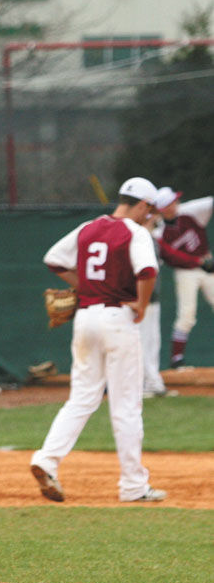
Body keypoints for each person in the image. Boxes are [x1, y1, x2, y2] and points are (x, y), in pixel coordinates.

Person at [31, 177, 166, 503]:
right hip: (117, 319)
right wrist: (142, 305)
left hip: (86, 318)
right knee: (126, 406)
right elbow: (148, 271)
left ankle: (46, 459)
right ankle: (133, 486)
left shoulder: (88, 228)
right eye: (150, 210)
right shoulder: (135, 232)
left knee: (81, 398)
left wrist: (86, 286)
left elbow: (53, 259)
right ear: (144, 206)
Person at [152, 187, 214, 368]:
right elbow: (170, 256)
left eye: (174, 200)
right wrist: (196, 261)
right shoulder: (159, 231)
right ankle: (176, 359)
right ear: (162, 209)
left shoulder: (189, 211)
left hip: (207, 265)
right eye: (170, 202)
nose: (175, 203)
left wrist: (204, 261)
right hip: (186, 271)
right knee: (187, 314)